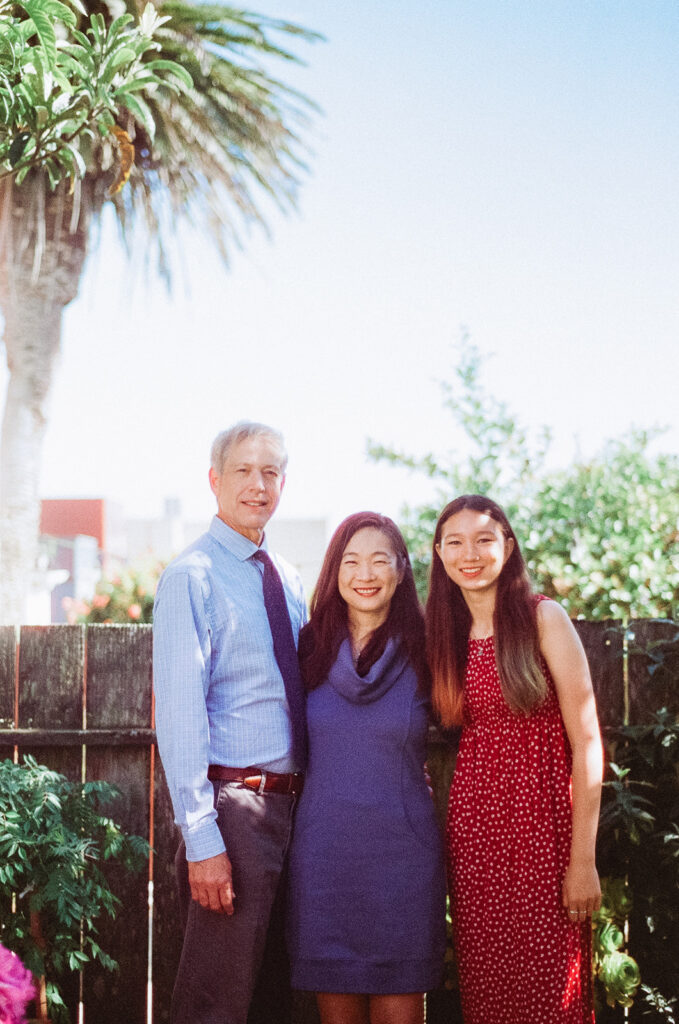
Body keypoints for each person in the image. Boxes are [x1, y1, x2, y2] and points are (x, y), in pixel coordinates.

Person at [426, 495, 603, 1024]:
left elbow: (588, 743)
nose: (470, 553)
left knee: (554, 990)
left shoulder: (542, 617)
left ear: (508, 545)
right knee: (489, 991)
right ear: (438, 554)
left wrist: (583, 860)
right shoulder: (447, 632)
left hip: (546, 831)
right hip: (478, 834)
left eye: (483, 539)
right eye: (454, 542)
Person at [152, 421, 307, 1024]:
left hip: (295, 811)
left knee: (275, 999)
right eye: (243, 470)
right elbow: (182, 716)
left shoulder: (287, 577)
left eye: (270, 472)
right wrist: (204, 840)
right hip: (234, 810)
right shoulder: (192, 577)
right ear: (214, 481)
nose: (258, 484)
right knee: (216, 1003)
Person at [286, 512, 447, 1024]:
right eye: (351, 561)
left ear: (401, 570)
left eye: (380, 559)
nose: (366, 573)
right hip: (324, 860)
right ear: (335, 572)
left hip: (404, 863)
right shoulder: (307, 647)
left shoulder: (431, 649)